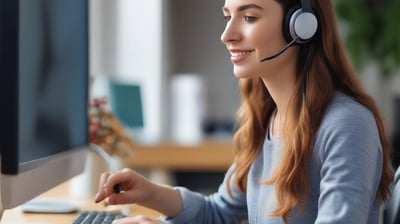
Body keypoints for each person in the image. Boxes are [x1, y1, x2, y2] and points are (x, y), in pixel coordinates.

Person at [94, 0, 394, 223]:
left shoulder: (346, 124)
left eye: (249, 17)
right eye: (227, 17)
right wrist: (150, 193)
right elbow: (219, 212)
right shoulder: (268, 119)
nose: (227, 34)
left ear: (301, 26)